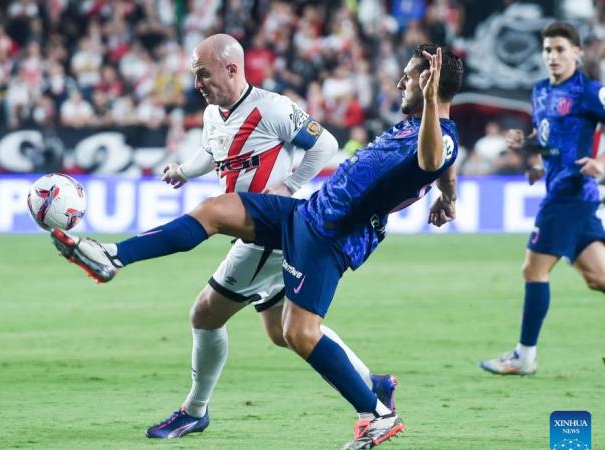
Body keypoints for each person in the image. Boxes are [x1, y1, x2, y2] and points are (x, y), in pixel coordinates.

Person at [51, 44, 463, 449]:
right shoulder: (417, 127)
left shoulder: (438, 134)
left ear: (429, 82)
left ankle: (376, 414)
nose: (399, 83)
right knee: (215, 211)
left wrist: (430, 109)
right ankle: (113, 256)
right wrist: (449, 195)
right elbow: (439, 170)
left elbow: (432, 160)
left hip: (333, 233)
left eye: (408, 77)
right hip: (309, 212)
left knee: (297, 333)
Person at [146, 34, 397, 440]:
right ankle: (374, 382)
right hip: (251, 230)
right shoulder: (215, 114)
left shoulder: (273, 107)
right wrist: (183, 172)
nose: (197, 84)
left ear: (231, 69)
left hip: (265, 232)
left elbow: (326, 143)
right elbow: (212, 151)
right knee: (284, 331)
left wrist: (291, 184)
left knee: (204, 315)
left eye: (202, 74)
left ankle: (194, 410)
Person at [480, 22, 605, 376]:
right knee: (598, 277)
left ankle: (524, 356)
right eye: (548, 49)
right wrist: (531, 149)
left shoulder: (589, 91)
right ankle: (524, 356)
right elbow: (551, 135)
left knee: (533, 269)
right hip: (565, 192)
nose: (552, 56)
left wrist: (600, 162)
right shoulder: (539, 91)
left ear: (578, 53)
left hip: (571, 193)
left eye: (560, 49)